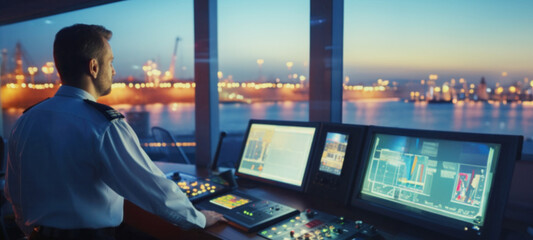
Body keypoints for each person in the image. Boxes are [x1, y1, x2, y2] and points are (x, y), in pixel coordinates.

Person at [5, 24, 225, 240]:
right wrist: (200, 219)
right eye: (110, 62)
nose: (114, 70)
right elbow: (154, 190)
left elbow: (13, 192)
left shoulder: (26, 120)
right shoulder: (103, 124)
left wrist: (32, 232)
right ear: (94, 67)